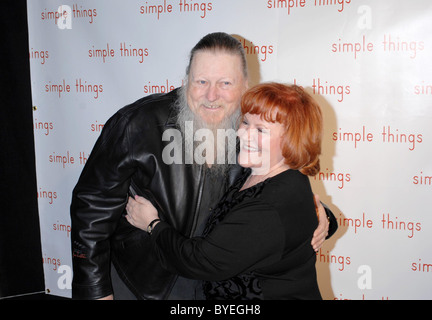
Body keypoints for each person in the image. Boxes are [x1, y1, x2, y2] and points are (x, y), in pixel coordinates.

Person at [70, 32, 337, 300]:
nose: (212, 95)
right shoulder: (138, 124)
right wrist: (95, 291)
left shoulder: (249, 127)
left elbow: (272, 194)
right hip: (143, 284)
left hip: (215, 285)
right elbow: (91, 210)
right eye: (201, 81)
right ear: (186, 81)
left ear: (245, 85)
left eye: (225, 83)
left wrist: (319, 213)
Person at [126, 82, 324, 299]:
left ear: (291, 141)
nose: (243, 134)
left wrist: (152, 224)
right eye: (246, 122)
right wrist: (322, 215)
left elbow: (202, 262)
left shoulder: (270, 205)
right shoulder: (262, 170)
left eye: (260, 130)